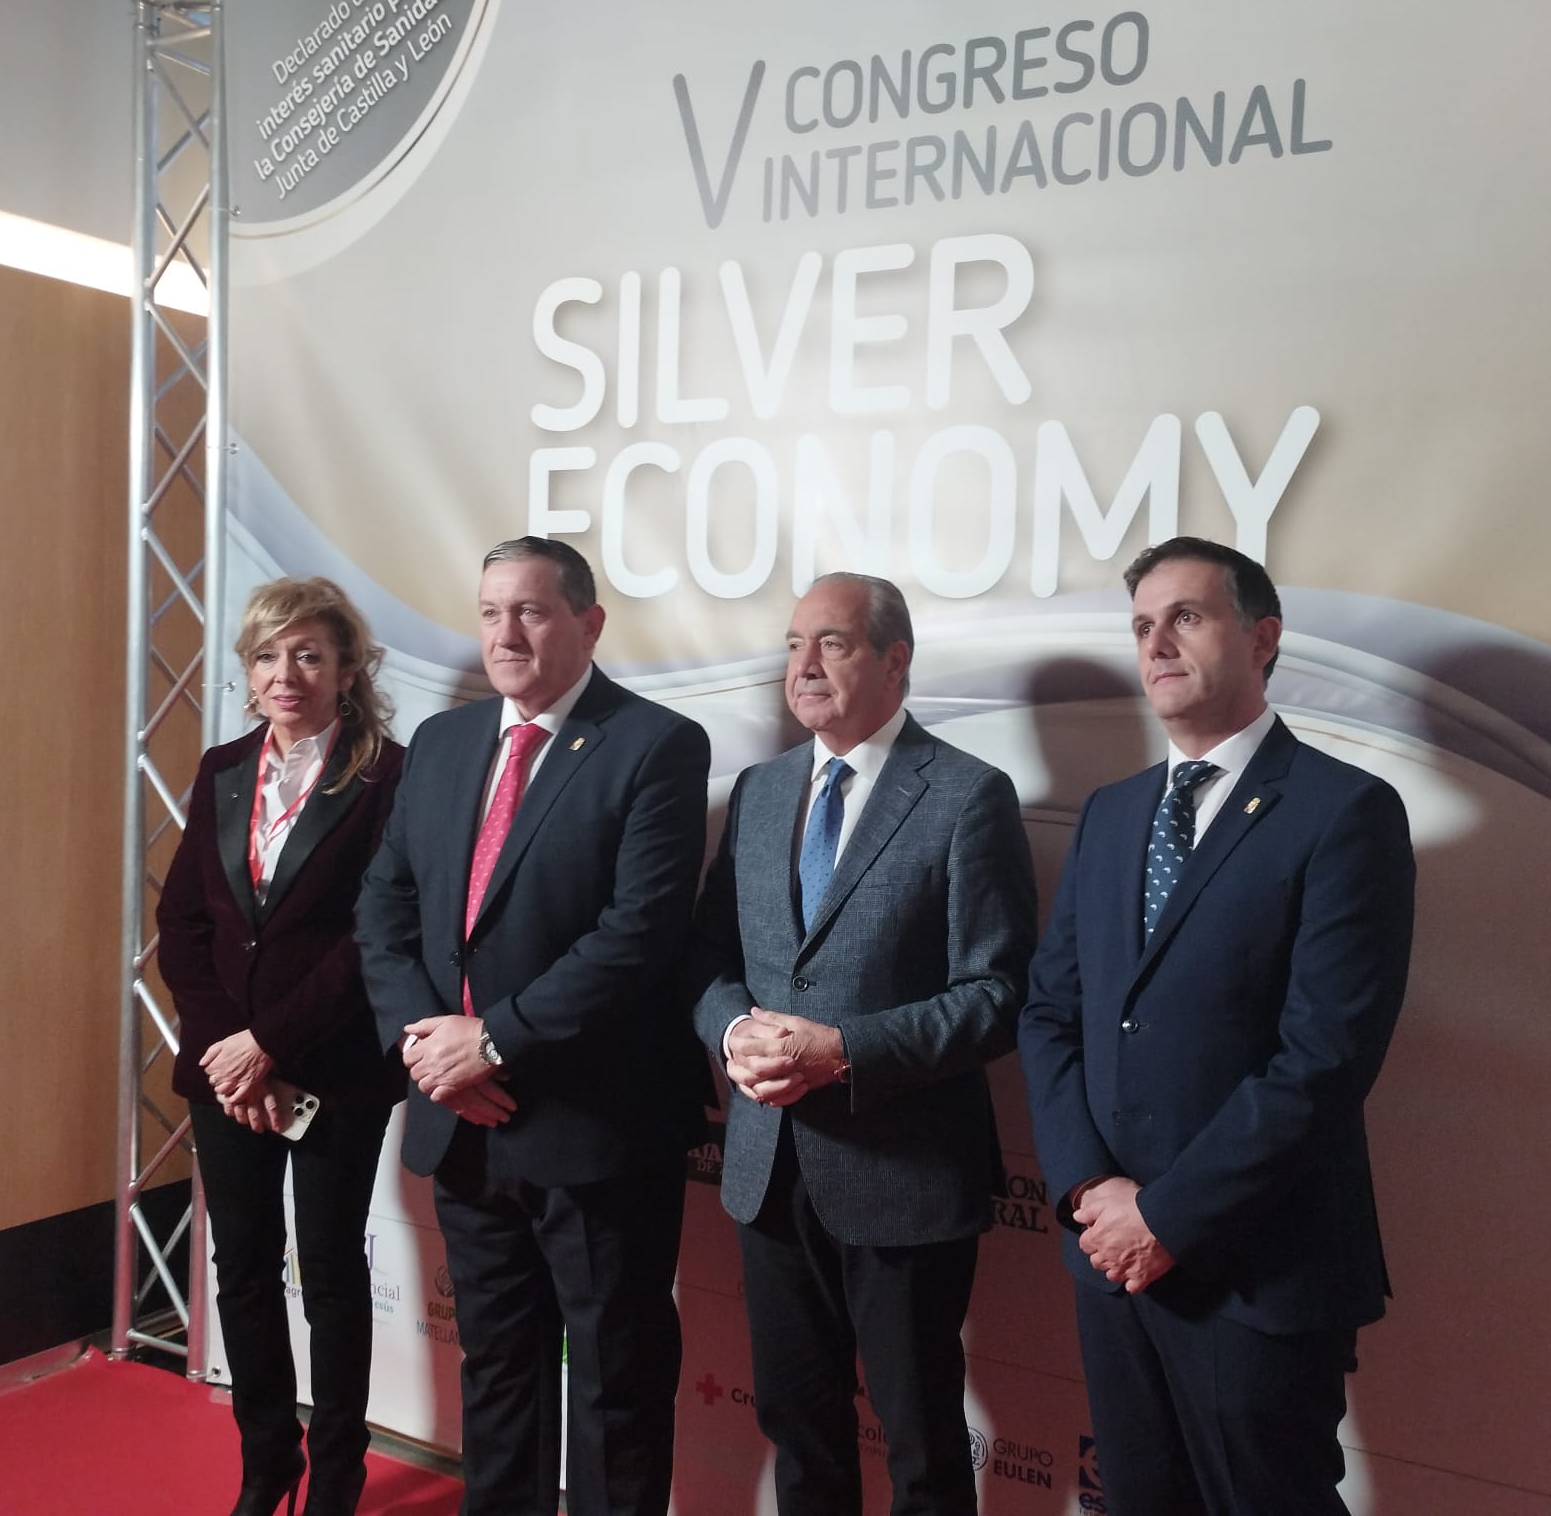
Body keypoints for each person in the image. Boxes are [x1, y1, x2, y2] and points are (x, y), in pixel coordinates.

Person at [1018, 537, 1416, 1516]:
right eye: (1143, 626)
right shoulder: (1110, 816)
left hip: (1256, 1273)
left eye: (1186, 617)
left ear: (1262, 636)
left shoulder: (1344, 812)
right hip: (1113, 1265)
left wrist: (1166, 1215)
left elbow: (1323, 1060)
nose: (1158, 643)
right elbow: (1050, 1012)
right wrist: (1092, 1191)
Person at [356, 536, 710, 1516]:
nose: (505, 634)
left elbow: (637, 935)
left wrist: (494, 1041)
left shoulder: (656, 746)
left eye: (532, 611)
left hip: (592, 1129)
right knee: (499, 1375)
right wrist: (428, 1049)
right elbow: (384, 907)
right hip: (463, 1123)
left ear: (589, 624)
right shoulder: (443, 744)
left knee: (613, 1385)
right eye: (489, 613)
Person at [688, 572, 1037, 1516]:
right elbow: (710, 957)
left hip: (904, 1174)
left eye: (830, 643)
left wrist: (842, 1049)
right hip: (768, 1168)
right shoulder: (759, 793)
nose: (803, 666)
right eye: (794, 643)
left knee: (922, 1441)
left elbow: (998, 995)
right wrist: (732, 1028)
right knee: (799, 1429)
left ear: (895, 660)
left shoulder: (967, 795)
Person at [156, 577, 406, 1516]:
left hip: (334, 1071)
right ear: (248, 672)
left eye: (308, 653)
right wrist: (231, 1047)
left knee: (333, 1272)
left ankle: (339, 1475)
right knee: (244, 1270)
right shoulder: (223, 765)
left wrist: (271, 1042)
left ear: (348, 667)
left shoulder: (391, 773)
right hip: (227, 1075)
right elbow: (183, 920)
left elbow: (375, 934)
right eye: (266, 655)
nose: (285, 673)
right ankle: (269, 1467)